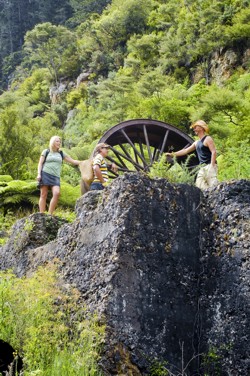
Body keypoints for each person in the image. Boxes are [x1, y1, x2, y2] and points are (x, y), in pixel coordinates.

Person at [166, 120, 218, 190]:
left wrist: (212, 166)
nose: (194, 129)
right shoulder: (196, 143)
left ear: (201, 128)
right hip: (202, 168)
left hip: (209, 165)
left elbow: (213, 152)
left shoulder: (208, 139)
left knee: (213, 186)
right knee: (200, 186)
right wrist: (172, 154)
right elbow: (185, 151)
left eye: (195, 127)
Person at [37, 135, 80, 215]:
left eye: (60, 141)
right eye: (57, 141)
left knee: (57, 193)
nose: (59, 143)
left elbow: (73, 161)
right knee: (43, 194)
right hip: (45, 174)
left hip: (55, 176)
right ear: (53, 142)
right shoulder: (46, 152)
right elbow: (40, 163)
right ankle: (41, 214)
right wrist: (39, 174)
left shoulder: (61, 153)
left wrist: (84, 162)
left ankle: (50, 214)